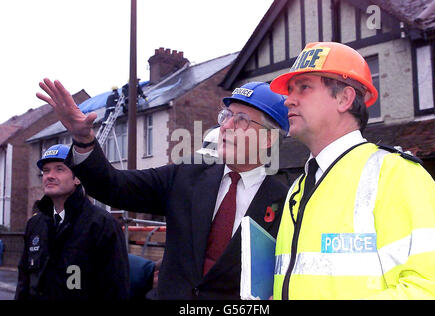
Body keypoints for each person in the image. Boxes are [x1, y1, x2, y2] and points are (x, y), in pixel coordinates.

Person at [36, 80, 290, 299]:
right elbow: (113, 186)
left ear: (268, 138)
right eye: (226, 116)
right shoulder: (186, 175)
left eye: (242, 120)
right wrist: (83, 140)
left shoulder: (286, 199)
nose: (226, 126)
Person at [270, 41, 435, 299]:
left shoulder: (397, 174)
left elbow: (433, 289)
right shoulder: (297, 188)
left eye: (304, 88)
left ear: (345, 98)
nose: (288, 101)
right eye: (289, 91)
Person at [15, 144, 130, 300]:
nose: (49, 175)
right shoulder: (35, 224)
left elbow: (116, 289)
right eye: (46, 170)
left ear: (77, 178)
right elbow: (24, 283)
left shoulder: (102, 224)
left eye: (59, 169)